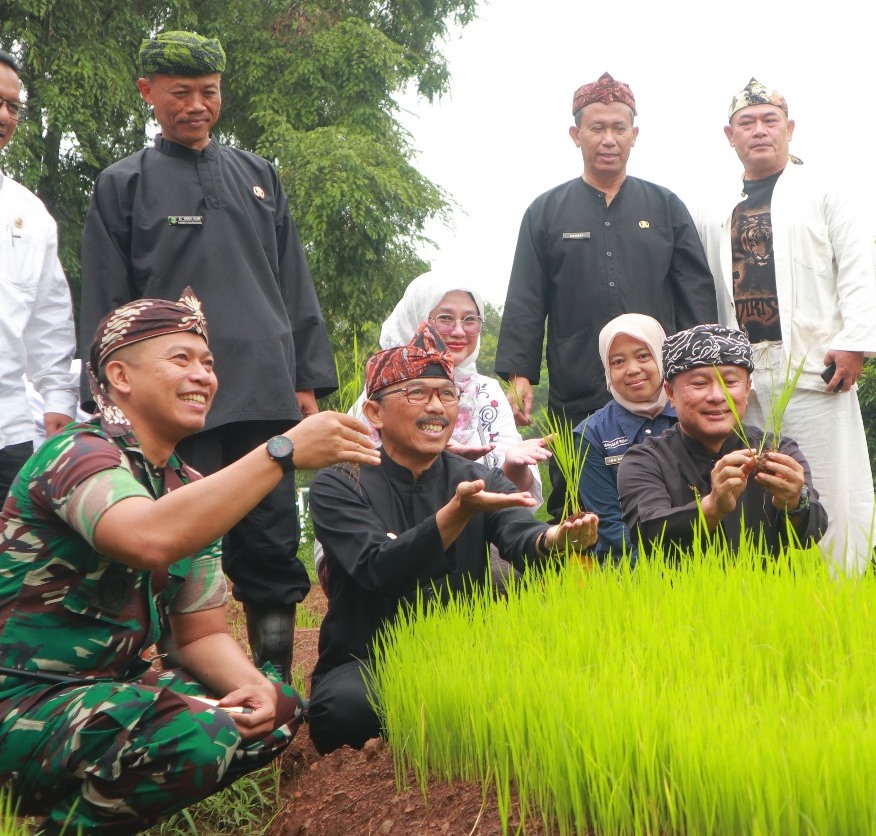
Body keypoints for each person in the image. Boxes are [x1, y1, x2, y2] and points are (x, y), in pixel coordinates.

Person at [0, 290, 379, 834]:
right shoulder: (78, 456)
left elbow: (199, 635)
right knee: (196, 731)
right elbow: (147, 537)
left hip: (106, 696)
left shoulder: (186, 486)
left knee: (277, 711)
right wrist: (282, 452)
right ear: (120, 375)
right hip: (22, 701)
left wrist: (255, 688)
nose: (204, 376)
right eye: (181, 359)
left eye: (208, 363)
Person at [78, 31, 339, 675]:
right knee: (184, 535)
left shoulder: (258, 176)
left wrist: (308, 378)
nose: (197, 105)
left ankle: (275, 674)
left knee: (272, 537)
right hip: (174, 402)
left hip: (263, 386)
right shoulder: (123, 185)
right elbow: (107, 299)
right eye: (181, 93)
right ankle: (184, 676)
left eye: (210, 93)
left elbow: (292, 281)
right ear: (148, 94)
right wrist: (106, 398)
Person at [307, 321, 598, 755]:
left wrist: (555, 538)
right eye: (417, 393)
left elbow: (519, 531)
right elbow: (376, 567)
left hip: (466, 653)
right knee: (345, 711)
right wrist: (454, 516)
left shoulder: (478, 477)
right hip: (368, 655)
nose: (437, 407)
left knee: (557, 685)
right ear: (374, 413)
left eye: (446, 395)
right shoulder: (340, 481)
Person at [496, 71, 718, 518]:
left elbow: (695, 291)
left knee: (674, 490)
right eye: (597, 128)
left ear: (635, 135)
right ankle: (579, 581)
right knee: (577, 498)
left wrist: (700, 368)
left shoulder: (665, 206)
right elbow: (526, 296)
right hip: (578, 382)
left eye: (619, 128)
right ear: (576, 135)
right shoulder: (545, 212)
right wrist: (519, 372)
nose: (609, 139)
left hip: (659, 388)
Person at [695, 79, 876, 574]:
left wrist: (855, 342)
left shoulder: (825, 191)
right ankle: (769, 587)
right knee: (755, 485)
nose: (759, 131)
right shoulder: (714, 207)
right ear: (729, 136)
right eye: (746, 123)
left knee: (829, 483)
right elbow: (708, 287)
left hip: (816, 365)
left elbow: (859, 267)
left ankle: (850, 585)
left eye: (769, 120)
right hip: (744, 373)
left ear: (790, 129)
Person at [617, 324, 826, 557]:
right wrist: (712, 507)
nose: (717, 395)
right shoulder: (644, 461)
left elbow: (811, 535)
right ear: (670, 393)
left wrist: (796, 501)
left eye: (730, 382)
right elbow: (647, 535)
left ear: (747, 389)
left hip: (767, 591)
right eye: (699, 383)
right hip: (681, 593)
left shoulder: (779, 451)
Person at [375, 272, 548, 498]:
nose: (458, 331)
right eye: (445, 318)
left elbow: (514, 493)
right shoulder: (381, 396)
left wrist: (514, 466)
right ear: (415, 318)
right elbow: (360, 485)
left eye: (469, 320)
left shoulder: (487, 393)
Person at [0, 48, 77, 496]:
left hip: (8, 431)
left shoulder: (30, 213)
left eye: (13, 106)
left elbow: (49, 317)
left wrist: (58, 397)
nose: (5, 116)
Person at [574, 314, 678, 563]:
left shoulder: (694, 415)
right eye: (618, 361)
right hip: (627, 570)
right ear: (607, 369)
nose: (632, 369)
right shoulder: (592, 434)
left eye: (643, 355)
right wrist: (656, 572)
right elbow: (608, 521)